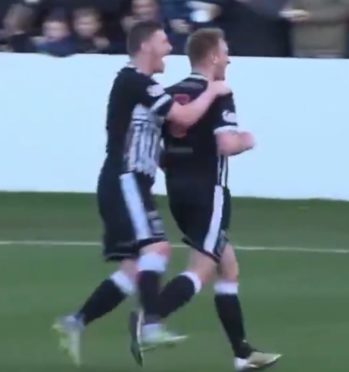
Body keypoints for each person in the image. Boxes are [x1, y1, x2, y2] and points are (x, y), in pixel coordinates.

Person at [53, 20, 231, 366]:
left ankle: (74, 323)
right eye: (164, 41)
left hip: (132, 182)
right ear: (147, 45)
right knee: (158, 249)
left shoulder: (146, 87)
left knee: (135, 269)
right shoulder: (133, 81)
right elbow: (184, 116)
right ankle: (150, 326)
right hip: (125, 179)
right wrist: (213, 89)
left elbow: (171, 130)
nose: (169, 48)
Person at [151, 28, 282, 371]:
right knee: (201, 269)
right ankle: (150, 316)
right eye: (225, 52)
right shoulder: (219, 93)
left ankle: (242, 354)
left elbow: (158, 150)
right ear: (211, 57)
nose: (229, 58)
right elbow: (226, 145)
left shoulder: (170, 93)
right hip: (209, 192)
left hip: (177, 193)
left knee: (228, 266)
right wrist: (247, 139)